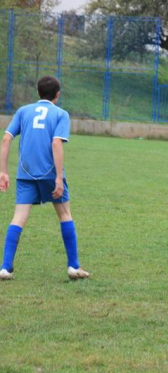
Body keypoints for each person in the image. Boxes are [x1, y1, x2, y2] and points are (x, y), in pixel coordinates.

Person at [0, 76, 90, 281]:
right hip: (50, 173)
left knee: (19, 216)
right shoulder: (61, 114)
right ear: (57, 94)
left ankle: (5, 268)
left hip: (25, 173)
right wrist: (59, 178)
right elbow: (56, 143)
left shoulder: (24, 111)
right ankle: (73, 266)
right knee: (65, 214)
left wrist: (3, 171)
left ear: (38, 93)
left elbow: (6, 138)